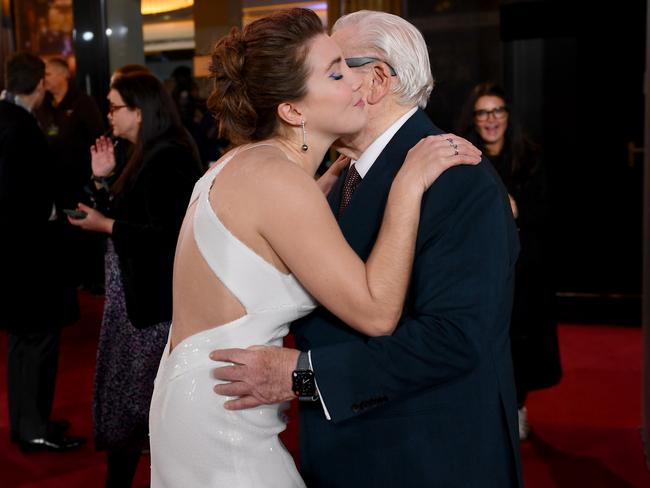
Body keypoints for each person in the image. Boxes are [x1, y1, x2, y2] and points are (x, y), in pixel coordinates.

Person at [148, 8, 481, 487]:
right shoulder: (279, 181)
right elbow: (376, 313)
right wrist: (407, 185)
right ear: (293, 110)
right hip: (225, 412)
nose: (356, 84)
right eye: (337, 72)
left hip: (205, 396)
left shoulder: (246, 163)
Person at [68, 72, 202, 487]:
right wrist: (102, 179)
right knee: (132, 407)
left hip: (152, 305)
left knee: (143, 408)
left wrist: (106, 225)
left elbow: (168, 234)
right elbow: (131, 216)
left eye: (114, 106)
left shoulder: (169, 156)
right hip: (134, 299)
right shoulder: (144, 151)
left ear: (140, 112)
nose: (108, 114)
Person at [457, 81, 562, 439]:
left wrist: (514, 210)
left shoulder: (529, 156)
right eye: (483, 112)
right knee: (482, 339)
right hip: (477, 267)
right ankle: (486, 405)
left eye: (497, 111)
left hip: (524, 269)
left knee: (520, 340)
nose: (491, 119)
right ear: (474, 118)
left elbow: (545, 212)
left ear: (507, 115)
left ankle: (516, 406)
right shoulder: (465, 157)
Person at [0, 52, 84, 453]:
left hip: (14, 257)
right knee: (38, 344)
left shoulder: (5, 118)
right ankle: (34, 428)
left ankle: (24, 423)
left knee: (21, 344)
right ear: (38, 85)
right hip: (32, 256)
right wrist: (57, 209)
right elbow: (27, 196)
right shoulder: (21, 126)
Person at [35, 57, 106, 294]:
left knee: (86, 234)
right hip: (54, 185)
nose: (44, 79)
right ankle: (71, 279)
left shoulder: (82, 103)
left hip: (81, 183)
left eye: (49, 74)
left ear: (64, 75)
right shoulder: (43, 105)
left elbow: (98, 138)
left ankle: (93, 281)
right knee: (62, 235)